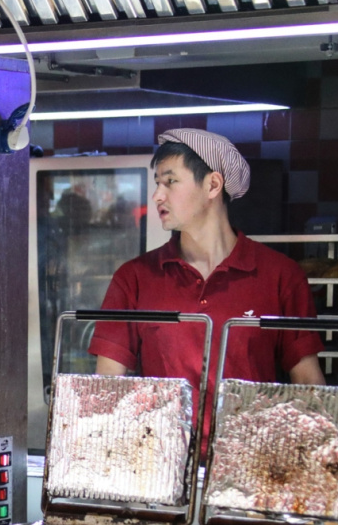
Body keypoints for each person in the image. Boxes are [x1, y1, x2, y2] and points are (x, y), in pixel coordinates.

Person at [89, 128, 324, 442]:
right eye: (157, 183)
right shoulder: (134, 278)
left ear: (213, 185)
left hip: (248, 460)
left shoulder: (280, 275)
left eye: (170, 181)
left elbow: (307, 381)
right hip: (161, 461)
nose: (157, 195)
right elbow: (107, 387)